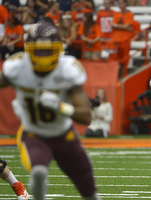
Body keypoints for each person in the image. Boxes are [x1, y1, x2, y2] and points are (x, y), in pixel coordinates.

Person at [0, 22, 101, 200]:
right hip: (34, 134)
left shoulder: (67, 69)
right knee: (38, 172)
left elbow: (86, 116)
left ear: (59, 49)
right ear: (28, 50)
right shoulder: (17, 69)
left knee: (90, 192)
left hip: (64, 135)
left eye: (48, 50)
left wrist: (62, 107)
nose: (43, 56)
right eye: (38, 51)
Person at [111, 0, 134, 78]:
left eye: (121, 3)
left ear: (125, 3)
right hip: (116, 41)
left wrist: (116, 26)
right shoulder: (116, 14)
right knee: (115, 61)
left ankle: (123, 77)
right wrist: (123, 27)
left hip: (125, 40)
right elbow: (113, 25)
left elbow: (126, 26)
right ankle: (116, 77)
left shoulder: (129, 14)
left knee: (124, 61)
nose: (120, 5)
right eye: (119, 3)